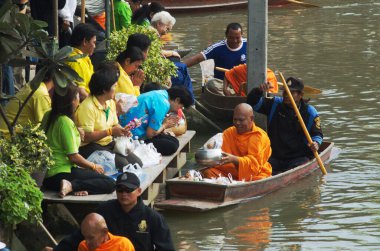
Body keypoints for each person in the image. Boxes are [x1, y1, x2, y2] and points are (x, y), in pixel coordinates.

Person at [43, 172, 175, 251]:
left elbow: (166, 248)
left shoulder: (153, 218)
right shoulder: (104, 210)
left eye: (128, 190)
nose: (124, 194)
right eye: (120, 190)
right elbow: (81, 236)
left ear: (139, 191)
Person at [42, 84, 115, 198]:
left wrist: (76, 131)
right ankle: (72, 186)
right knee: (110, 183)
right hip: (62, 173)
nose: (79, 102)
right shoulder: (65, 121)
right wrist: (93, 166)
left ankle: (75, 187)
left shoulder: (48, 115)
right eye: (77, 98)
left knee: (95, 178)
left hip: (47, 177)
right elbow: (74, 157)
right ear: (71, 101)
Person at [247, 77, 323, 174]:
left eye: (291, 93)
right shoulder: (275, 104)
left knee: (296, 167)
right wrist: (259, 91)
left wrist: (316, 143)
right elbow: (253, 103)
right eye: (285, 92)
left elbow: (317, 134)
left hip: (298, 157)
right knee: (257, 167)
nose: (286, 95)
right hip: (275, 156)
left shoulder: (309, 112)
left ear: (300, 95)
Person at [75, 62, 142, 169]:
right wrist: (110, 132)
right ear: (104, 89)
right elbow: (86, 137)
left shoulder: (110, 102)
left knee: (137, 164)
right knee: (125, 166)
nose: (115, 90)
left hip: (107, 143)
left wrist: (123, 130)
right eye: (114, 86)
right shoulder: (87, 107)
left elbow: (115, 124)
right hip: (90, 146)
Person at [201, 103, 272, 181]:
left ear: (251, 119)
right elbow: (218, 148)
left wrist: (235, 159)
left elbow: (254, 165)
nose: (237, 123)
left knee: (256, 179)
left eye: (241, 120)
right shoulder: (230, 131)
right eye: (235, 119)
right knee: (208, 172)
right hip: (230, 172)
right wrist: (211, 147)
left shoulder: (259, 136)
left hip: (254, 175)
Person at [119, 86, 193, 155]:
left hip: (135, 128)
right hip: (132, 136)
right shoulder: (163, 104)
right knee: (172, 146)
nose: (179, 109)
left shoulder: (161, 94)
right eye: (181, 106)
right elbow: (150, 133)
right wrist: (165, 125)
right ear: (177, 100)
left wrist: (164, 124)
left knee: (174, 141)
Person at [150, 11, 195, 104]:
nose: (167, 32)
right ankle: (190, 101)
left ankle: (189, 99)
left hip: (157, 64)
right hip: (155, 67)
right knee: (182, 70)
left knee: (182, 68)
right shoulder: (152, 33)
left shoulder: (153, 32)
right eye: (167, 28)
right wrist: (171, 52)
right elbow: (153, 53)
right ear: (159, 24)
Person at [66, 23, 98, 101]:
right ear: (85, 42)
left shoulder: (84, 57)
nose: (95, 46)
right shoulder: (76, 62)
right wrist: (97, 105)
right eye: (94, 42)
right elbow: (80, 93)